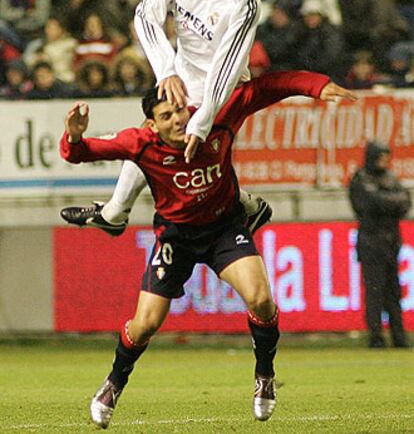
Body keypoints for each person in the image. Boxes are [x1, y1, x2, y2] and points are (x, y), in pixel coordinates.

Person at [60, 69, 356, 428]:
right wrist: (73, 135)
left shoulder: (215, 120)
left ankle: (264, 375)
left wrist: (316, 86)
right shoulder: (140, 143)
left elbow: (264, 88)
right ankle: (113, 384)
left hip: (223, 229)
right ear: (152, 125)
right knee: (144, 325)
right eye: (166, 116)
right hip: (176, 238)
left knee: (261, 299)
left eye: (180, 110)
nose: (178, 119)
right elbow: (81, 152)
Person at [63, 0, 271, 239]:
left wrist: (203, 117)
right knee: (156, 136)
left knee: (175, 149)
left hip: (225, 86)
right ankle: (117, 212)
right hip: (184, 71)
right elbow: (146, 16)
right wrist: (167, 70)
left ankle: (242, 206)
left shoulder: (245, 3)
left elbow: (226, 66)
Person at [349, 141, 411, 348]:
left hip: (391, 242)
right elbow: (368, 203)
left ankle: (399, 336)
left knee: (394, 292)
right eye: (381, 156)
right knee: (374, 291)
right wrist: (389, 201)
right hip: (371, 243)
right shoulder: (361, 179)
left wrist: (383, 200)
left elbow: (405, 202)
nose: (385, 161)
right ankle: (376, 336)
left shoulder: (390, 178)